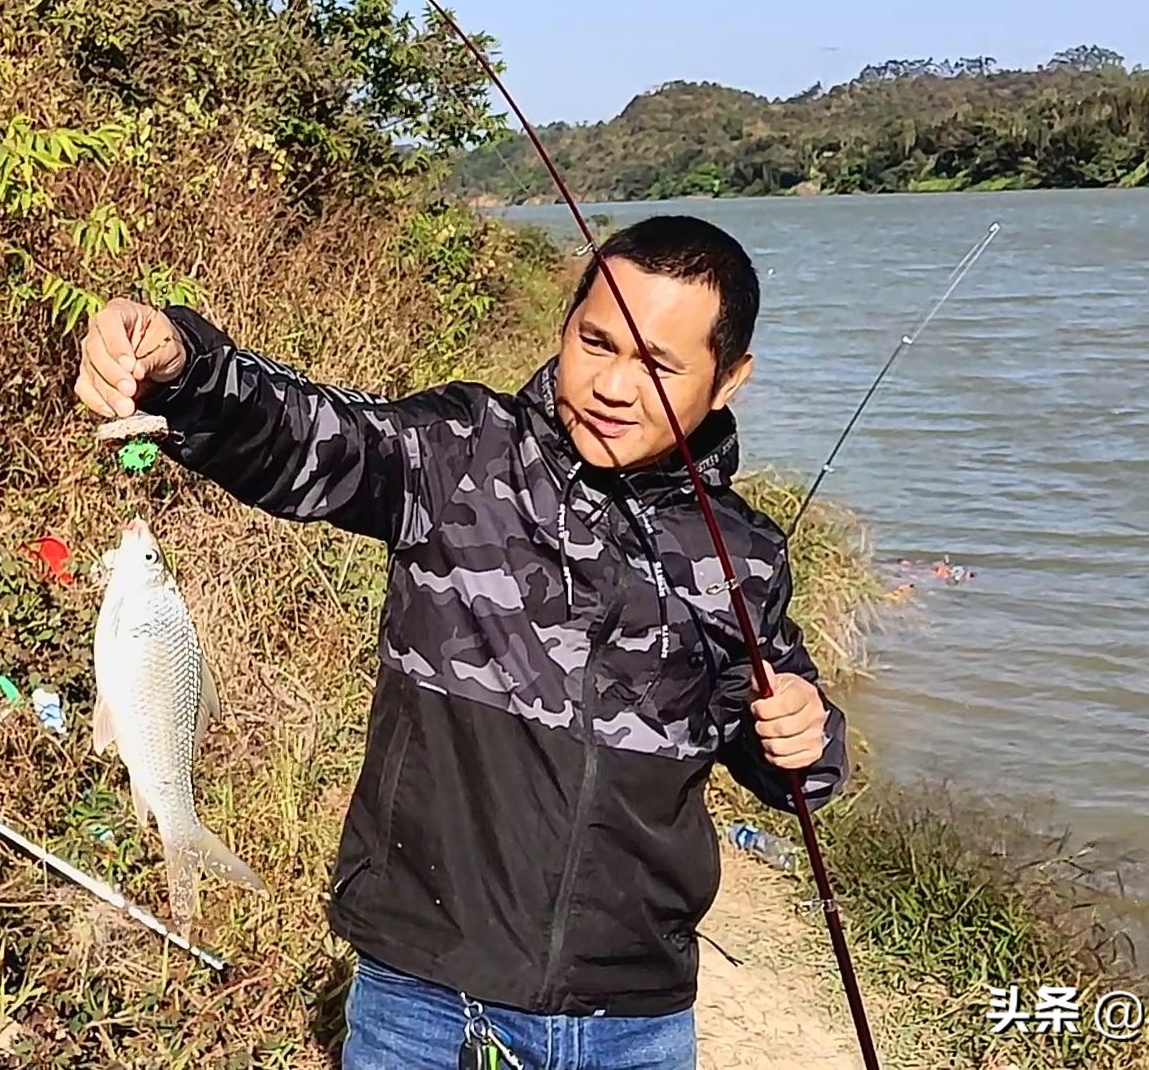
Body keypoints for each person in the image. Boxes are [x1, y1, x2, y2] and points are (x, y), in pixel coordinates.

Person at [73, 214, 850, 1069]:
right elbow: (304, 432)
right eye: (596, 342)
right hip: (425, 996)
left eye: (659, 366)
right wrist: (186, 364)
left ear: (729, 378)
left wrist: (804, 740)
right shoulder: (459, 456)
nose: (614, 385)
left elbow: (795, 764)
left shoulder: (744, 555)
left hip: (636, 1018)